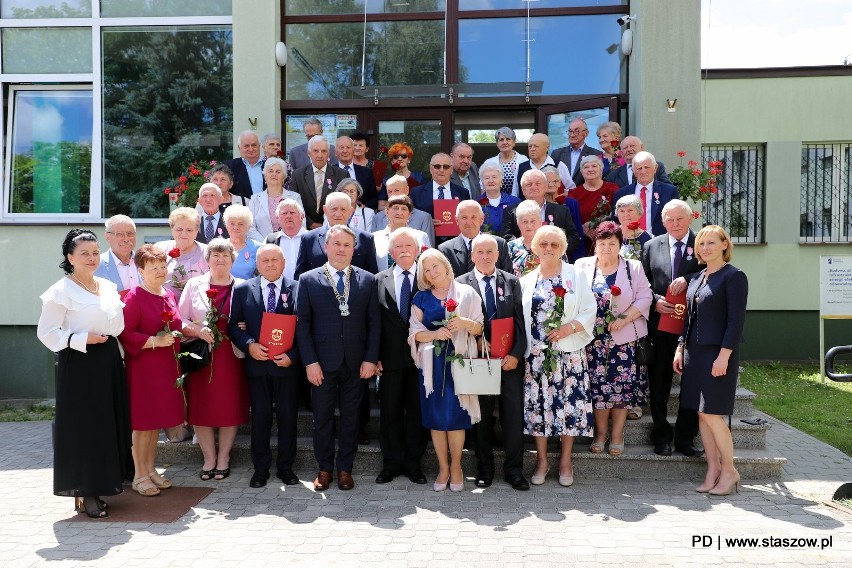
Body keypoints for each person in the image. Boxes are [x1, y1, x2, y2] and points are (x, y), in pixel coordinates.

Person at [37, 229, 131, 518]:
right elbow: (46, 333)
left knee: (108, 423)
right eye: (83, 254)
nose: (91, 258)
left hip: (108, 360)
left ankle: (106, 483)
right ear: (70, 257)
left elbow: (118, 324)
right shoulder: (60, 291)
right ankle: (84, 492)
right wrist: (82, 338)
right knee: (85, 428)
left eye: (94, 252)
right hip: (78, 362)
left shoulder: (106, 285)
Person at [296, 225, 381, 491]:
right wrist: (309, 362)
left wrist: (370, 358)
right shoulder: (309, 279)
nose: (341, 249)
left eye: (347, 245)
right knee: (321, 418)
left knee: (351, 418)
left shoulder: (368, 279)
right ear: (326, 247)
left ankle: (345, 469)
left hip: (356, 363)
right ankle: (323, 469)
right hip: (321, 363)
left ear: (353, 249)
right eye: (336, 244)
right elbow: (303, 324)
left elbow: (374, 323)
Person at [674, 226, 748, 496]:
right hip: (694, 353)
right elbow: (688, 319)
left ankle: (729, 470)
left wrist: (724, 356)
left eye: (711, 243)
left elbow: (735, 321)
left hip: (718, 354)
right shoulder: (698, 277)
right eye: (701, 243)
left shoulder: (734, 277)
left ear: (724, 245)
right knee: (701, 415)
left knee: (712, 413)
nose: (705, 248)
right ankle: (712, 470)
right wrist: (680, 348)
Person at [519, 225, 595, 487]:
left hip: (569, 353)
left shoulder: (575, 275)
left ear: (562, 249)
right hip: (537, 356)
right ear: (535, 248)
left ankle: (565, 460)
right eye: (543, 244)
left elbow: (589, 308)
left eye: (554, 244)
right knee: (539, 408)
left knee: (568, 406)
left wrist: (568, 328)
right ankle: (542, 460)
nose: (548, 249)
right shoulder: (526, 281)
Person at [455, 234, 529, 491]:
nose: (485, 256)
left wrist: (517, 355)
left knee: (512, 417)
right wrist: (474, 343)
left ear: (498, 255)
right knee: (483, 418)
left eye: (490, 252)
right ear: (472, 255)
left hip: (508, 362)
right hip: (477, 362)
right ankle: (484, 470)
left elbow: (521, 322)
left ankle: (514, 471)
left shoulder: (511, 281)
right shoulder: (460, 284)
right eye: (480, 252)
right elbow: (456, 323)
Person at [408, 249, 484, 492]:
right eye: (426, 270)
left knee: (456, 418)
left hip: (459, 363)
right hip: (433, 367)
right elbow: (413, 332)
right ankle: (442, 467)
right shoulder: (421, 298)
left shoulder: (467, 292)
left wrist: (464, 323)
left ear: (445, 265)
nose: (432, 272)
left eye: (435, 266)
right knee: (436, 420)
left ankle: (456, 467)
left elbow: (480, 328)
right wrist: (435, 334)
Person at [574, 222, 652, 456]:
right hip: (592, 341)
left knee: (621, 389)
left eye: (612, 243)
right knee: (597, 390)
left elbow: (645, 297)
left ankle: (617, 434)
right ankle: (600, 434)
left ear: (620, 245)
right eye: (601, 243)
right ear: (594, 245)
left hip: (623, 339)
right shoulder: (581, 266)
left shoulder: (633, 267)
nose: (606, 248)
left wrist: (625, 318)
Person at [229, 244, 303, 488]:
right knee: (260, 418)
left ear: (283, 263)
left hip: (287, 367)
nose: (270, 264)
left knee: (287, 418)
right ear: (257, 265)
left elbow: (305, 328)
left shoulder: (298, 289)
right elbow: (232, 326)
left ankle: (286, 468)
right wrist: (249, 344)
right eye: (265, 261)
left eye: (275, 260)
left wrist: (293, 355)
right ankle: (260, 469)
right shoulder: (241, 290)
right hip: (257, 366)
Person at [178, 238, 249, 481]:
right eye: (215, 255)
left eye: (225, 255)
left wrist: (245, 325)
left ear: (232, 260)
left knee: (229, 406)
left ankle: (224, 457)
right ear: (207, 260)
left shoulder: (243, 286)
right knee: (201, 406)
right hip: (202, 356)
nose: (220, 259)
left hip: (231, 356)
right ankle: (208, 457)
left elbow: (253, 318)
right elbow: (180, 320)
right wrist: (197, 331)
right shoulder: (193, 285)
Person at [119, 244, 185, 497]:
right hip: (144, 368)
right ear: (140, 270)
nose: (159, 271)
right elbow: (125, 333)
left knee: (155, 422)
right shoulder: (135, 296)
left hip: (166, 366)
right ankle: (139, 475)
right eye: (153, 268)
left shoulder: (167, 293)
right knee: (143, 424)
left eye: (162, 266)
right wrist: (154, 342)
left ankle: (150, 469)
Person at [641, 199, 702, 456]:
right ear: (662, 221)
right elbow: (642, 284)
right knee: (659, 382)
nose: (675, 224)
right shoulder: (651, 246)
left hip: (693, 326)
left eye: (680, 218)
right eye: (670, 219)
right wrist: (655, 302)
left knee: (691, 384)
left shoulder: (703, 242)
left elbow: (713, 270)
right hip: (662, 326)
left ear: (690, 218)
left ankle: (686, 438)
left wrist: (687, 280)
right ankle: (661, 435)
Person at [374, 228, 428, 485]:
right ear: (390, 251)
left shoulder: (429, 278)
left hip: (422, 359)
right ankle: (391, 463)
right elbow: (372, 322)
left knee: (417, 413)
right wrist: (374, 357)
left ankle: (413, 463)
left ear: (418, 249)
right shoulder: (378, 279)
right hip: (390, 359)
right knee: (390, 412)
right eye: (398, 246)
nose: (404, 249)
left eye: (409, 245)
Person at [295, 192, 379, 278]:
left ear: (351, 211)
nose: (338, 214)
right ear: (325, 210)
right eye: (334, 209)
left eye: (343, 209)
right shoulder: (309, 238)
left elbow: (372, 278)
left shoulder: (365, 238)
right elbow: (300, 277)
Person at [500, 169, 581, 258]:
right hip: (522, 261)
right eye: (529, 184)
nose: (533, 187)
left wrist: (557, 251)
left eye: (538, 183)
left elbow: (574, 237)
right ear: (522, 189)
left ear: (545, 187)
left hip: (555, 260)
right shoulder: (511, 211)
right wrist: (525, 251)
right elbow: (507, 237)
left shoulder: (562, 211)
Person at [612, 151, 679, 238]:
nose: (643, 171)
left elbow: (676, 218)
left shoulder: (669, 191)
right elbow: (616, 222)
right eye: (639, 168)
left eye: (647, 167)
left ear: (655, 168)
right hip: (630, 243)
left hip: (660, 243)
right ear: (633, 171)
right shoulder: (621, 194)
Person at [438, 199, 512, 277]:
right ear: (456, 220)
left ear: (482, 219)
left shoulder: (499, 244)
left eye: (473, 217)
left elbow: (507, 279)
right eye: (464, 217)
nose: (469, 222)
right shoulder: (445, 250)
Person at [290, 136, 349, 228]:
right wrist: (311, 224)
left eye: (324, 151)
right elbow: (294, 204)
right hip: (304, 227)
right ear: (309, 153)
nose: (320, 155)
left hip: (333, 228)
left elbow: (344, 203)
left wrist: (327, 224)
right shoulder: (298, 175)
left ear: (329, 154)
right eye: (316, 151)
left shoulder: (341, 175)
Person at [156, 207, 209, 302]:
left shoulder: (208, 252)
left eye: (189, 230)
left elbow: (216, 282)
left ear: (197, 231)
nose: (184, 234)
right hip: (165, 308)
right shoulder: (159, 249)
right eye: (179, 229)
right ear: (172, 229)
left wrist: (192, 285)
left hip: (197, 308)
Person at [247, 157, 303, 242]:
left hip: (290, 243)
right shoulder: (255, 199)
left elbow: (302, 223)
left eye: (278, 172)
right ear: (265, 176)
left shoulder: (294, 197)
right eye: (270, 171)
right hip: (262, 247)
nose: (274, 174)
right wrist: (266, 243)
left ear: (283, 177)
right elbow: (250, 227)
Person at [369, 174, 436, 246]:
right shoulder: (377, 218)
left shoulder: (424, 218)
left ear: (407, 190)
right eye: (390, 191)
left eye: (396, 190)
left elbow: (428, 251)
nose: (393, 194)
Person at [372, 195, 430, 271]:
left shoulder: (421, 236)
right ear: (386, 211)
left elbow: (428, 262)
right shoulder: (374, 237)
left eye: (404, 209)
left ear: (409, 214)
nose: (399, 212)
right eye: (395, 208)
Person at [410, 152, 471, 222]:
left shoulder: (463, 193)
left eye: (446, 167)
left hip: (454, 232)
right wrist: (428, 222)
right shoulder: (417, 193)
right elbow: (410, 217)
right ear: (430, 169)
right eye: (437, 166)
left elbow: (467, 217)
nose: (441, 170)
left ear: (451, 170)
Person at [542, 165, 584, 262]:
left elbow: (577, 233)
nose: (551, 184)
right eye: (548, 181)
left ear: (560, 183)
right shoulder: (539, 204)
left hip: (566, 254)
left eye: (555, 181)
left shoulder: (571, 203)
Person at [513, 133, 575, 197]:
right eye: (530, 146)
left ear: (547, 147)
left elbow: (571, 189)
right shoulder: (521, 167)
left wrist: (561, 200)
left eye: (536, 146)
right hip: (527, 206)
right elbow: (514, 194)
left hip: (553, 206)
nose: (532, 149)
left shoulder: (558, 165)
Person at [567, 155, 619, 229]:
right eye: (586, 167)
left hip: (608, 234)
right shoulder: (574, 193)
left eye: (594, 166)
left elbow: (618, 212)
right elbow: (570, 219)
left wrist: (595, 225)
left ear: (601, 169)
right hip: (583, 236)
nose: (590, 169)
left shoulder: (613, 188)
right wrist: (584, 229)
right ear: (581, 172)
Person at [551, 118, 604, 186]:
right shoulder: (557, 154)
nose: (572, 135)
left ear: (586, 133)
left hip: (585, 194)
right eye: (570, 131)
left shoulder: (596, 154)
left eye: (577, 131)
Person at [604, 135, 673, 188]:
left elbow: (668, 189)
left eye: (632, 146)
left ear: (642, 148)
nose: (629, 149)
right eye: (625, 148)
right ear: (621, 153)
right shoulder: (614, 174)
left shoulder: (656, 166)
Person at [265, 199, 308, 281]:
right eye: (284, 213)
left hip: (307, 289)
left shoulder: (313, 238)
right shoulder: (270, 240)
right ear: (278, 218)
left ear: (302, 217)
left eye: (292, 212)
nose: (288, 216)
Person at [95, 214, 139, 292]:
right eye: (120, 234)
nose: (126, 239)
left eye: (130, 234)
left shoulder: (144, 261)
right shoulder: (96, 265)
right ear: (107, 236)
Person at [480, 126, 528, 196]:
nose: (504, 142)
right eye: (501, 140)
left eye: (508, 139)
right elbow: (483, 187)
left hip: (519, 203)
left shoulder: (523, 160)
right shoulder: (488, 163)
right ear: (497, 144)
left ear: (514, 142)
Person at [333, 136, 378, 210]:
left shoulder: (366, 172)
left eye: (348, 147)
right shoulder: (329, 172)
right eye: (341, 147)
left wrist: (364, 209)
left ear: (353, 151)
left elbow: (373, 197)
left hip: (360, 216)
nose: (345, 151)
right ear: (335, 152)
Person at [377, 142, 424, 208]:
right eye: (396, 156)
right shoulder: (386, 181)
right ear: (392, 161)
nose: (400, 159)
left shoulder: (419, 178)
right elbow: (381, 206)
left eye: (404, 156)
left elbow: (424, 201)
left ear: (409, 160)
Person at [477, 163, 521, 234]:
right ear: (482, 182)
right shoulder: (476, 205)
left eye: (494, 177)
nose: (491, 181)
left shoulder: (515, 202)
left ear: (501, 181)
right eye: (487, 178)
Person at [506, 200, 545, 277]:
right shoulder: (510, 247)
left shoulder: (551, 244)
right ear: (518, 223)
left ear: (540, 221)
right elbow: (505, 276)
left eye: (533, 221)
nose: (529, 225)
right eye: (525, 221)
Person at [222, 130, 265, 199]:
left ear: (259, 146)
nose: (251, 149)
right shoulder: (228, 167)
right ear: (239, 148)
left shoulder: (268, 167)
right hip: (240, 208)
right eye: (246, 146)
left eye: (254, 145)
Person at [223, 204, 262, 279]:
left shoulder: (258, 248)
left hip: (248, 289)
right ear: (226, 225)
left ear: (248, 227)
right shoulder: (219, 247)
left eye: (240, 224)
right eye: (232, 223)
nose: (236, 227)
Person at [615, 194, 651, 261]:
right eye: (622, 211)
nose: (626, 214)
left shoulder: (649, 239)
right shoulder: (611, 235)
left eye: (630, 210)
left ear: (639, 213)